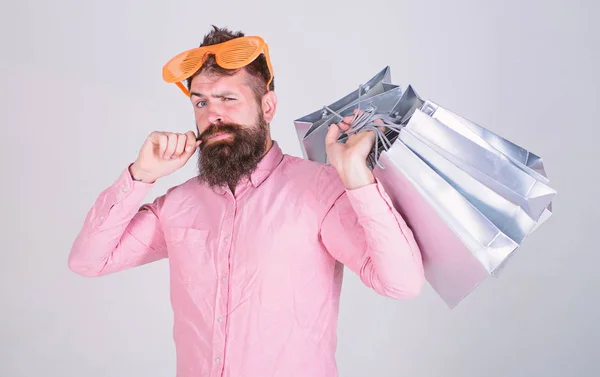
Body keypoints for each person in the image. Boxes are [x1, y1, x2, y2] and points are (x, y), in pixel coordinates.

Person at [68, 25, 425, 377]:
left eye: (228, 98)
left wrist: (358, 179)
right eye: (201, 102)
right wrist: (140, 175)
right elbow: (88, 261)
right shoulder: (179, 203)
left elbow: (401, 283)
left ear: (267, 106)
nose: (213, 115)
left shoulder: (319, 190)